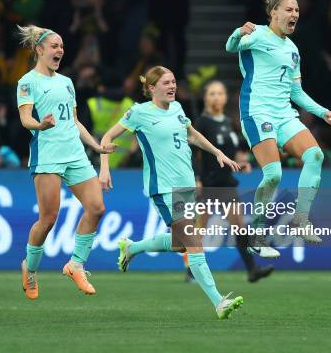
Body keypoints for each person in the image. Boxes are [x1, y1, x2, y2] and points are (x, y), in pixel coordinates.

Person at [99, 65, 244, 320]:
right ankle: (218, 301)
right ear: (152, 88)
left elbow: (192, 135)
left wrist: (218, 152)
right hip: (164, 188)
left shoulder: (177, 109)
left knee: (180, 244)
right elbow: (107, 137)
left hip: (185, 186)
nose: (172, 86)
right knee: (194, 242)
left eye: (174, 81)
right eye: (166, 83)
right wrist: (104, 167)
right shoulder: (139, 113)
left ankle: (131, 248)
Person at [225, 0, 331, 258]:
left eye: (297, 10)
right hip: (257, 112)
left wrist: (322, 112)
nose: (294, 14)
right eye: (289, 9)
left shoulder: (292, 50)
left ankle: (301, 219)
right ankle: (257, 233)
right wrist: (238, 32)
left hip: (284, 114)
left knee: (315, 155)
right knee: (273, 174)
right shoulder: (256, 34)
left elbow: (296, 92)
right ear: (273, 13)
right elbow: (230, 47)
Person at [16, 24, 114, 300]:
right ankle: (30, 269)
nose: (60, 50)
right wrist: (41, 125)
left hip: (75, 154)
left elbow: (74, 121)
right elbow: (25, 119)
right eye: (54, 46)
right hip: (47, 155)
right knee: (48, 219)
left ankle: (76, 264)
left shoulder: (66, 82)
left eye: (61, 46)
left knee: (96, 208)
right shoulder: (27, 82)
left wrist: (96, 146)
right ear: (39, 50)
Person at [185, 80, 274, 283]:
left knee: (239, 227)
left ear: (225, 98)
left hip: (226, 183)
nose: (216, 97)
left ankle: (252, 270)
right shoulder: (202, 122)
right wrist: (197, 178)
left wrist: (241, 162)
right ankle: (192, 270)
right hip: (208, 183)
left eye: (219, 93)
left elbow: (232, 152)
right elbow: (193, 153)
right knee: (200, 228)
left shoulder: (228, 122)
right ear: (206, 98)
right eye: (212, 94)